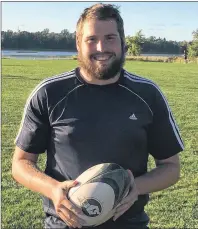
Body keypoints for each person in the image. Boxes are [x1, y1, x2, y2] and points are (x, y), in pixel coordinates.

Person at [12, 3, 184, 229]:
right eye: (91, 39)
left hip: (129, 224)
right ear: (78, 43)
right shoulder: (49, 93)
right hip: (64, 224)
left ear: (123, 42)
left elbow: (171, 167)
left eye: (110, 38)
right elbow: (21, 163)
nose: (101, 47)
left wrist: (137, 187)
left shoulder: (148, 95)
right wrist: (52, 189)